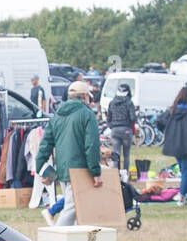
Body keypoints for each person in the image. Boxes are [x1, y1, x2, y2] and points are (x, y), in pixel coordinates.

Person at [34, 80, 102, 225]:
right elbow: (92, 146)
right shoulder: (87, 115)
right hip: (80, 170)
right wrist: (95, 172)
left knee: (78, 209)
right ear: (84, 96)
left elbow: (45, 145)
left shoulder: (57, 116)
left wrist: (42, 170)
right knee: (71, 211)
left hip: (63, 170)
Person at [157, 86, 187, 205]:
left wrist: (167, 132)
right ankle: (182, 196)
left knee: (184, 170)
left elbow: (159, 122)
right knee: (186, 171)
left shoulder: (171, 111)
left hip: (174, 145)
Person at [105, 82, 138, 176]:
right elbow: (132, 118)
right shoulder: (129, 102)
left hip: (115, 130)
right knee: (126, 154)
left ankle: (116, 174)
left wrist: (112, 126)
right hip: (126, 130)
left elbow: (108, 118)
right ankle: (125, 174)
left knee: (116, 153)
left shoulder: (112, 102)